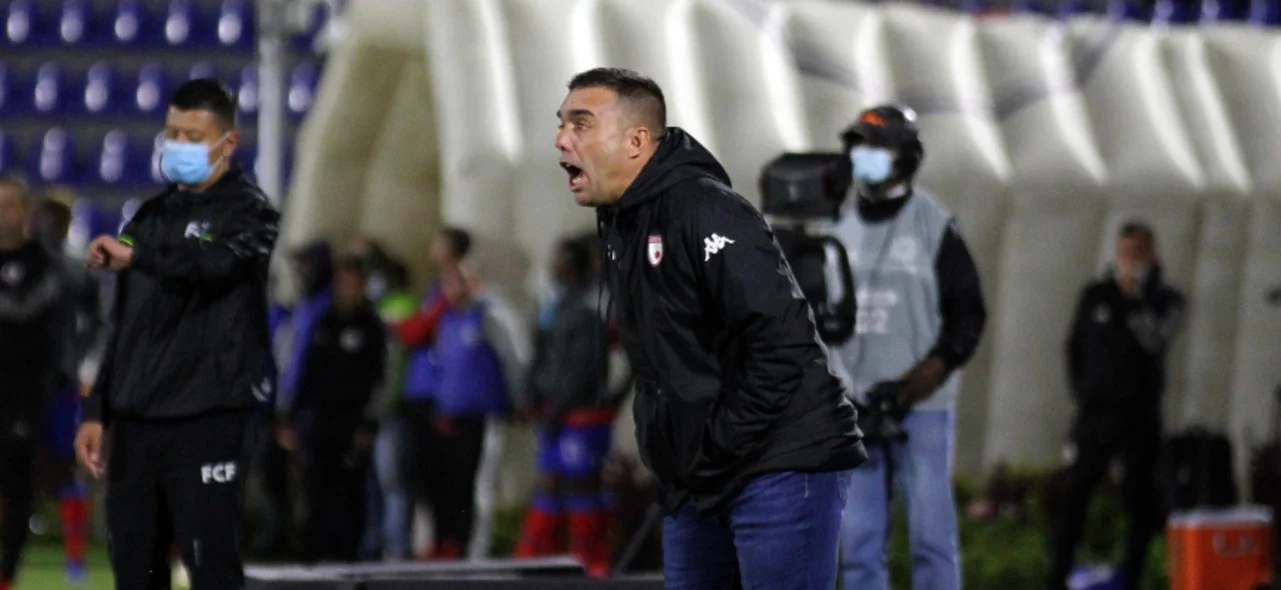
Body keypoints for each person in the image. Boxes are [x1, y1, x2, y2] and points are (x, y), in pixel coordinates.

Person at [556, 67, 864, 589]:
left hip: (777, 463)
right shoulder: (625, 223)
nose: (562, 140)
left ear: (636, 142)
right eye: (562, 124)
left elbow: (783, 348)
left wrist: (715, 444)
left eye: (581, 124)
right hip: (699, 478)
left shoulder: (705, 210)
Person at [74, 79, 280, 590]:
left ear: (228, 143)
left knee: (210, 566)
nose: (179, 145)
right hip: (138, 422)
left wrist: (138, 257)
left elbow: (213, 266)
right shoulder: (149, 218)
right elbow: (124, 325)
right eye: (172, 133)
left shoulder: (250, 214)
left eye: (193, 136)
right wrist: (98, 410)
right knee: (134, 570)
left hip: (208, 416)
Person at [825, 105, 987, 590]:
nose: (865, 157)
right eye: (859, 147)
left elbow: (969, 312)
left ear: (907, 157)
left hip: (921, 408)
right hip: (853, 409)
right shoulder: (836, 226)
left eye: (878, 148)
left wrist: (933, 370)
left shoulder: (933, 225)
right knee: (858, 546)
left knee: (932, 540)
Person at [1049, 221, 1184, 590]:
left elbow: (1156, 341)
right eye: (1125, 253)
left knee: (1139, 501)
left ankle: (1132, 577)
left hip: (1139, 417)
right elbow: (1075, 347)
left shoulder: (1166, 299)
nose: (1130, 261)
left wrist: (1135, 299)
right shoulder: (1095, 295)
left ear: (1152, 255)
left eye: (1138, 254)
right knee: (1075, 496)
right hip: (1096, 416)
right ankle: (1056, 577)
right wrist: (1083, 391)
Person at [394, 229, 526, 560]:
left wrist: (519, 397)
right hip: (450, 412)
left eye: (458, 282)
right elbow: (441, 363)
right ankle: (449, 544)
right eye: (448, 283)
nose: (451, 289)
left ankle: (478, 552)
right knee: (446, 483)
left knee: (480, 485)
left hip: (484, 414)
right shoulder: (448, 319)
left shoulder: (488, 313)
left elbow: (513, 357)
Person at [514, 236, 613, 575]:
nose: (551, 264)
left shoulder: (590, 306)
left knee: (582, 484)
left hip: (582, 414)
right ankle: (540, 556)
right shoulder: (554, 304)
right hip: (554, 410)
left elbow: (584, 367)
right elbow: (540, 352)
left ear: (572, 265)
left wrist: (562, 404)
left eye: (558, 258)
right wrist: (530, 393)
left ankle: (591, 557)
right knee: (550, 481)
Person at [283, 258, 387, 563]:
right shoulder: (323, 322)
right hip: (319, 424)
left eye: (352, 284)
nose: (346, 290)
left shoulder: (372, 328)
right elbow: (306, 372)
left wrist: (368, 424)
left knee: (350, 494)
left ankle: (347, 559)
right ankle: (311, 557)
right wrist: (290, 417)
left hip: (353, 426)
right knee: (315, 490)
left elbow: (380, 380)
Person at [29, 193, 101, 584]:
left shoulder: (76, 271)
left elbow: (96, 324)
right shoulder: (18, 266)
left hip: (61, 385)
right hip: (19, 387)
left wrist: (84, 362)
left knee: (67, 469)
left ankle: (76, 561)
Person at [0, 174, 64, 590]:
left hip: (24, 394)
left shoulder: (45, 263)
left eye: (10, 206)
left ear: (25, 211)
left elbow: (27, 309)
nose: (3, 216)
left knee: (18, 487)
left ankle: (7, 573)